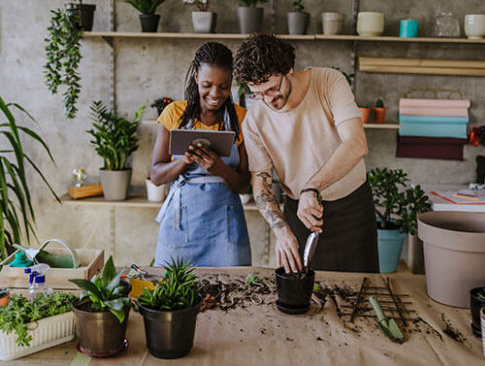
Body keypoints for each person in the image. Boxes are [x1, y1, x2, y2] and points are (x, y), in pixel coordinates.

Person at [233, 33, 378, 274]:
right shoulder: (254, 121)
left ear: (288, 69)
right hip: (299, 216)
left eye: (272, 89)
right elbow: (261, 186)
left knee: (361, 294)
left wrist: (312, 187)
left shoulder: (329, 82)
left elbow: (356, 143)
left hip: (353, 210)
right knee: (303, 296)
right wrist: (282, 231)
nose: (267, 100)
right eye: (257, 94)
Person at [151, 42, 251, 267]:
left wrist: (221, 170)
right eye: (207, 84)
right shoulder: (174, 114)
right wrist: (184, 162)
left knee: (230, 292)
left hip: (225, 229)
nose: (215, 94)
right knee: (174, 292)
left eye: (223, 86)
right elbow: (156, 176)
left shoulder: (242, 118)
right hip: (182, 227)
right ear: (196, 77)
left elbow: (244, 184)